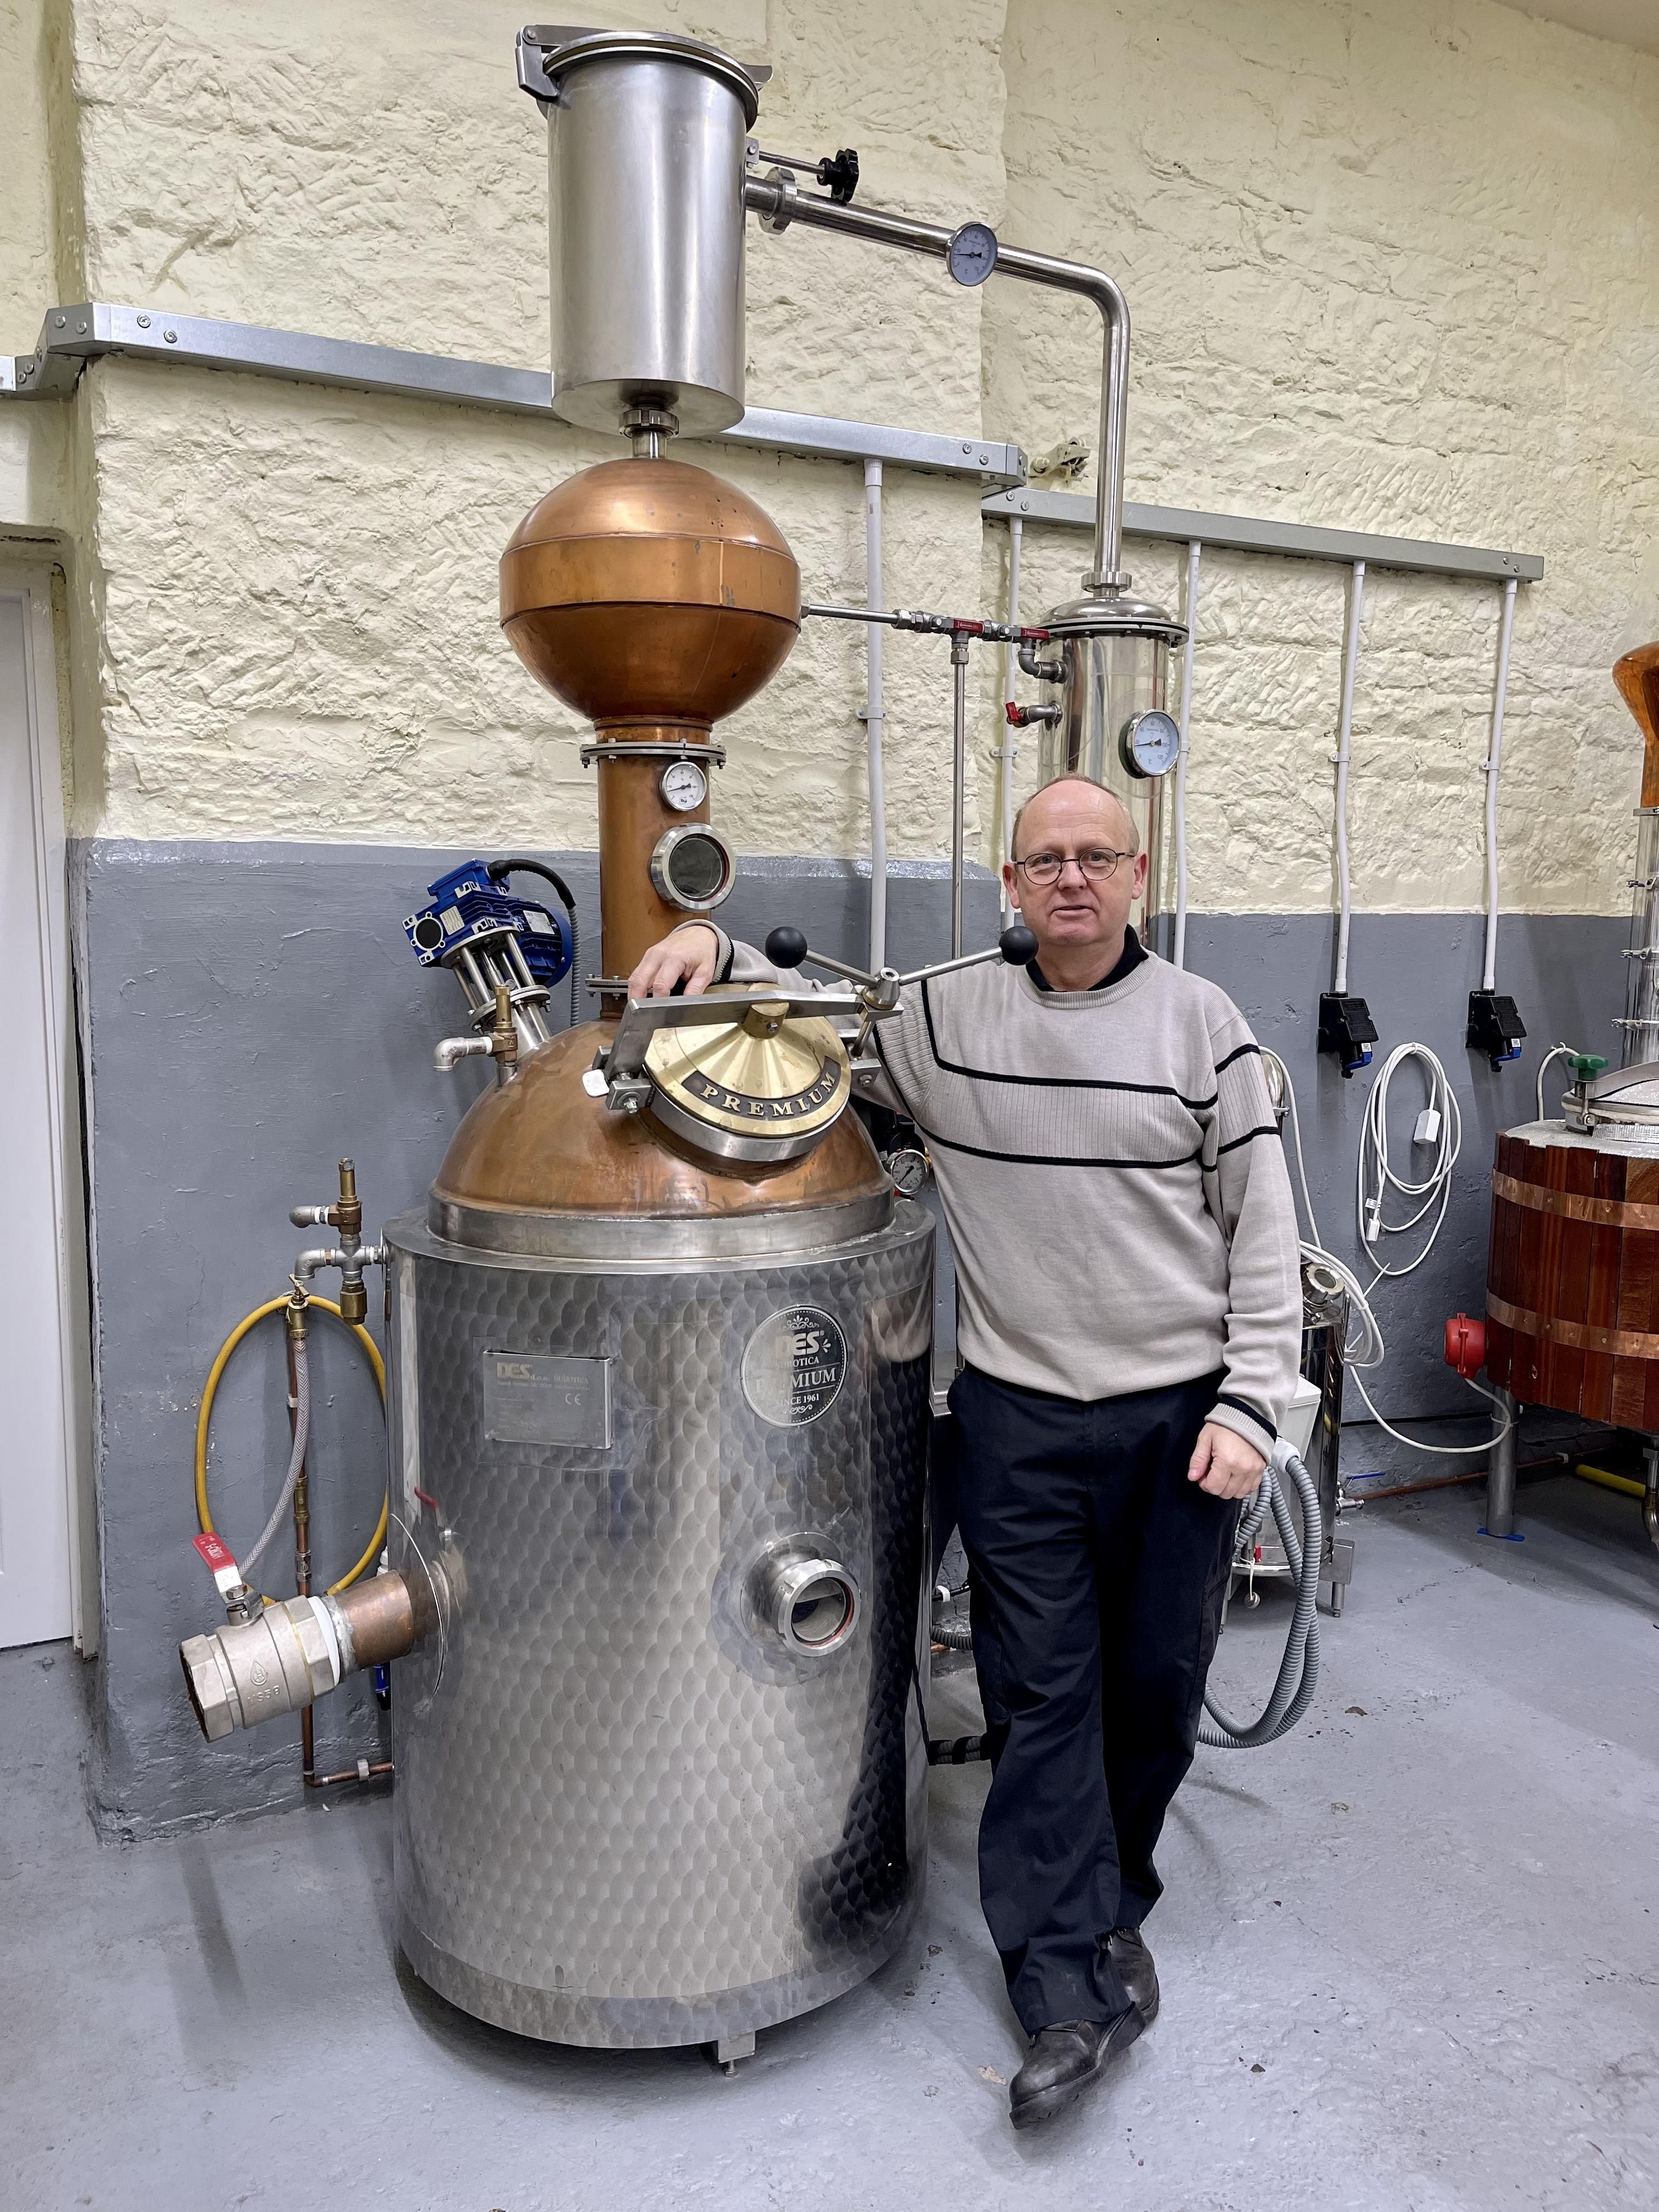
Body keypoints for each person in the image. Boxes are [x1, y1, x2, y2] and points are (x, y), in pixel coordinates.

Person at [629, 774, 1302, 2129]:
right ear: (1009, 884)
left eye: (1094, 857)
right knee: (1040, 1698)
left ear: (1137, 875)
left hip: (1178, 1427)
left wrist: (1252, 1408)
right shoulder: (948, 1017)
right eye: (1043, 859)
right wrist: (721, 953)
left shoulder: (1203, 1031)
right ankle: (1059, 1986)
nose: (1070, 879)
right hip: (1016, 1420)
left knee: (1155, 1690)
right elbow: (819, 1024)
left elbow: (1266, 1232)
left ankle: (1113, 1906)